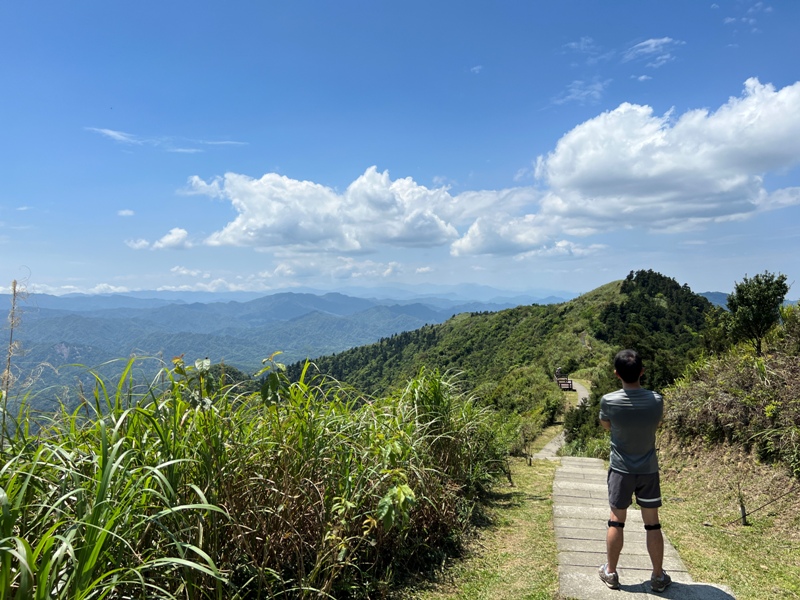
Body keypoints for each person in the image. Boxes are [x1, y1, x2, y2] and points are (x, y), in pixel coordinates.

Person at [597, 349, 672, 593]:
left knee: (616, 520)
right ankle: (658, 577)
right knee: (652, 524)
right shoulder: (656, 400)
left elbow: (606, 425)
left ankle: (611, 572)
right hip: (648, 469)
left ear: (616, 374)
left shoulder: (609, 400)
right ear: (642, 371)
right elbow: (658, 423)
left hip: (621, 469)